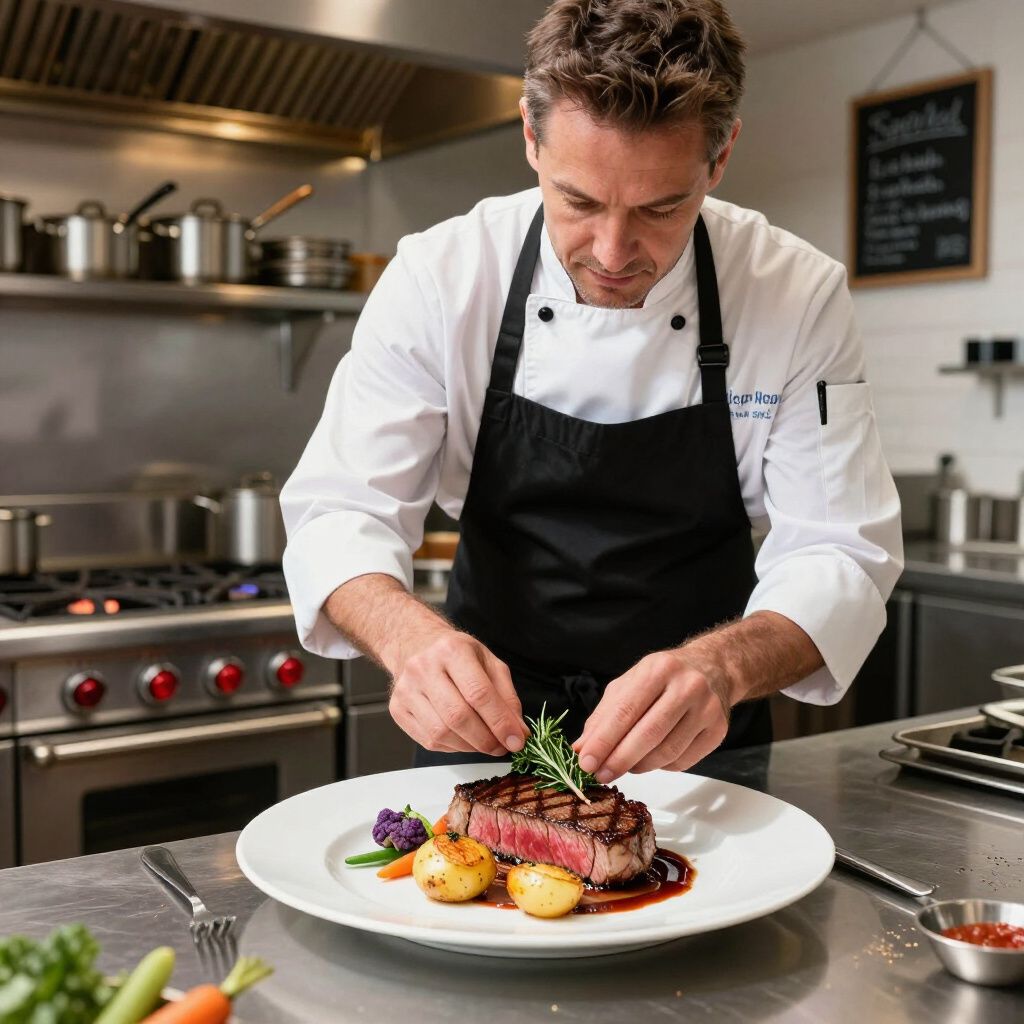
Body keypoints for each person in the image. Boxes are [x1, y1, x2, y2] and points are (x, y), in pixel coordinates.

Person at [281, 0, 903, 783]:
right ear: (530, 138)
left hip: (699, 741)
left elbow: (840, 548)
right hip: (484, 734)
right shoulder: (441, 277)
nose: (613, 252)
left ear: (720, 158)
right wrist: (411, 642)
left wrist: (723, 669)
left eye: (662, 207)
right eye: (579, 201)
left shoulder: (794, 293)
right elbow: (340, 510)